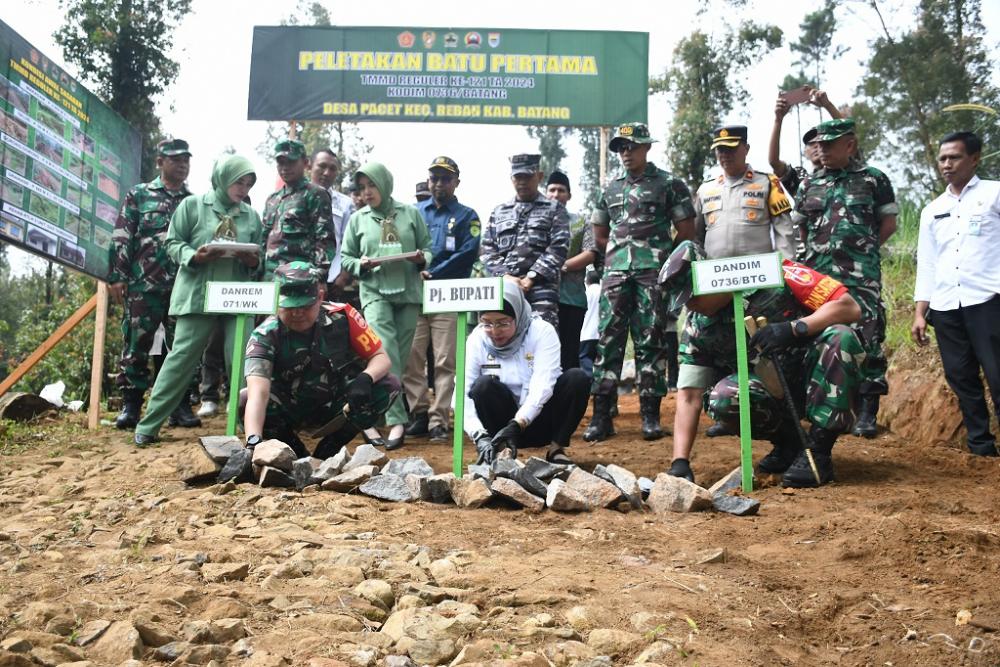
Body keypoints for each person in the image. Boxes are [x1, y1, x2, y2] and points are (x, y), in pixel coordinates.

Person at [661, 241, 866, 487]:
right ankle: (790, 443)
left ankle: (818, 451)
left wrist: (794, 328)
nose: (689, 305)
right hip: (770, 389)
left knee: (840, 337)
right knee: (723, 397)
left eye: (692, 296)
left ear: (709, 277)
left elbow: (850, 307)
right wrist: (680, 462)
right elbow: (689, 396)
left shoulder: (775, 273)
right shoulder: (697, 325)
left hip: (816, 377)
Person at [133, 155, 263, 446]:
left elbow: (260, 257)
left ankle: (249, 428)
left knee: (243, 360)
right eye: (237, 182)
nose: (242, 189)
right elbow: (172, 242)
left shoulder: (251, 216)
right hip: (198, 292)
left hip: (237, 296)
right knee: (182, 358)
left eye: (247, 184)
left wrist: (252, 259)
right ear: (221, 179)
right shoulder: (192, 206)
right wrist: (195, 255)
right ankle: (150, 423)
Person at [583, 122, 696, 442]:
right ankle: (602, 416)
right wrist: (621, 257)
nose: (625, 152)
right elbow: (600, 234)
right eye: (621, 147)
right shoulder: (608, 188)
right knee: (608, 342)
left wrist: (663, 262)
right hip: (616, 274)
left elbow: (686, 231)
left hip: (653, 273)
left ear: (647, 147)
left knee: (651, 340)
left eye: (631, 146)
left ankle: (650, 415)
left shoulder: (668, 184)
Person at [793, 118, 897, 438]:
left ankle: (867, 410)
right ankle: (826, 406)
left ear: (849, 145)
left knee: (868, 336)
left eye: (829, 144)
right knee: (825, 337)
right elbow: (801, 228)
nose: (821, 150)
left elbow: (888, 224)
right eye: (818, 145)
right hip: (819, 280)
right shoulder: (809, 183)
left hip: (860, 276)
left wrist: (862, 253)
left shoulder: (873, 179)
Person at [694, 124, 796, 437]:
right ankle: (724, 416)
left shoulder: (768, 183)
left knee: (757, 347)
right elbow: (696, 238)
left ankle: (765, 412)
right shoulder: (705, 189)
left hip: (760, 286)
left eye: (730, 148)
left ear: (746, 149)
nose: (724, 155)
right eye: (719, 150)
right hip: (716, 285)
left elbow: (784, 231)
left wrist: (786, 272)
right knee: (718, 345)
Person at [242, 262, 398, 458]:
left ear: (320, 297)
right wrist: (253, 442)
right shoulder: (264, 335)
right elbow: (258, 394)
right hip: (289, 407)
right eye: (290, 307)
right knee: (244, 398)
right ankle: (291, 452)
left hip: (334, 405)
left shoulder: (343, 317)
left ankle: (331, 447)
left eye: (304, 306)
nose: (297, 313)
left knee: (388, 384)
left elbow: (381, 357)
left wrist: (365, 378)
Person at [912, 131, 1000, 457]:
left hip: (988, 300)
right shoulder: (932, 210)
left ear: (974, 158)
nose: (946, 164)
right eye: (942, 158)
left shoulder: (994, 194)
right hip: (947, 305)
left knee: (997, 374)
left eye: (954, 157)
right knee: (961, 377)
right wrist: (920, 312)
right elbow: (929, 264)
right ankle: (981, 447)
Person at [108, 138, 201, 430]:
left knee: (181, 347)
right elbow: (123, 236)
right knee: (136, 343)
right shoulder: (139, 195)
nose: (182, 164)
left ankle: (180, 406)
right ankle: (131, 405)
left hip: (183, 287)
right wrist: (118, 276)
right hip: (143, 284)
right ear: (160, 162)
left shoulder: (193, 202)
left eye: (186, 159)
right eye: (175, 159)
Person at [341, 162, 432, 450]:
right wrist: (360, 264)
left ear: (385, 185)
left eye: (372, 186)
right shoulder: (358, 219)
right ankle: (397, 421)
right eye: (362, 187)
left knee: (401, 360)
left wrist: (420, 259)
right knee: (387, 352)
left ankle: (363, 417)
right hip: (374, 292)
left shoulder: (410, 213)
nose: (367, 193)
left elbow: (428, 248)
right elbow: (345, 258)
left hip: (408, 294)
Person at [463, 279, 590, 465]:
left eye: (503, 323)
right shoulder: (477, 339)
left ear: (518, 315)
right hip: (500, 424)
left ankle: (556, 448)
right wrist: (479, 435)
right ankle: (500, 449)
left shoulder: (542, 332)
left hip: (540, 419)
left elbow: (543, 384)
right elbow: (462, 394)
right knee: (482, 386)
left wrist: (518, 423)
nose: (495, 331)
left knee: (577, 379)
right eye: (487, 323)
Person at [403, 156, 481, 442]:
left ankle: (439, 420)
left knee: (446, 360)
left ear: (456, 183)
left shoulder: (466, 215)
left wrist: (432, 273)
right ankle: (419, 412)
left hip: (447, 295)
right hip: (415, 295)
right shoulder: (414, 212)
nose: (438, 184)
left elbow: (468, 253)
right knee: (411, 355)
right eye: (434, 178)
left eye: (445, 179)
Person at [481, 153, 570, 328]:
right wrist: (505, 276)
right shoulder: (499, 211)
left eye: (527, 176)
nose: (522, 181)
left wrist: (531, 277)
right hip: (505, 287)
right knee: (504, 339)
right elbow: (487, 250)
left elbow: (559, 247)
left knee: (542, 338)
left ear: (539, 176)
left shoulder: (554, 209)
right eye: (518, 177)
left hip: (541, 289)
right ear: (511, 178)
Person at [547, 170, 599, 371]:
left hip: (572, 299)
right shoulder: (536, 220)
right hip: (541, 300)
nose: (556, 194)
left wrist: (560, 266)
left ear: (569, 195)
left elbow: (590, 253)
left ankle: (567, 400)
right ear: (546, 192)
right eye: (552, 189)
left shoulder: (581, 221)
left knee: (569, 356)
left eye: (561, 190)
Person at [260, 139, 334, 280]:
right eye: (281, 163)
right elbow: (263, 241)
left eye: (291, 162)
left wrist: (319, 276)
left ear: (306, 163)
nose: (285, 168)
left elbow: (325, 240)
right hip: (269, 278)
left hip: (298, 280)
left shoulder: (315, 194)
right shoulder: (272, 200)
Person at [769, 87, 843, 197]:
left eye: (820, 142)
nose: (816, 146)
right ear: (805, 152)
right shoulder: (800, 179)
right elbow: (774, 162)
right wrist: (778, 119)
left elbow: (847, 134)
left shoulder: (844, 172)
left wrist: (828, 105)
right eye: (811, 143)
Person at [309, 148, 357, 306]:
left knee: (327, 326)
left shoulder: (345, 204)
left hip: (332, 281)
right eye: (322, 166)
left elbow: (351, 243)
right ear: (309, 166)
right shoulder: (293, 198)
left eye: (332, 169)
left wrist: (343, 277)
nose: (326, 172)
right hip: (297, 275)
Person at [578, 270, 602, 377]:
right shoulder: (604, 290)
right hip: (602, 331)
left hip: (587, 331)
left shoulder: (587, 291)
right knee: (598, 358)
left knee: (584, 357)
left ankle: (590, 380)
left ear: (587, 280)